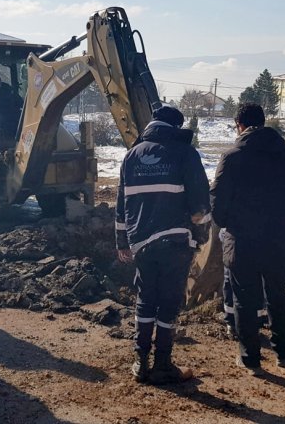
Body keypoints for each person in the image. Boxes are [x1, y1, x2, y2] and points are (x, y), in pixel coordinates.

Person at [211, 103, 285, 375]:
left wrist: (233, 224)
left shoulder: (232, 157)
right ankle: (283, 353)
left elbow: (218, 206)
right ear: (263, 123)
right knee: (278, 294)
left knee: (244, 299)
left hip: (242, 241)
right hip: (279, 239)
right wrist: (281, 220)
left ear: (239, 125)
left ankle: (250, 359)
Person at [116, 105, 210, 384]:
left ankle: (140, 362)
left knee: (145, 301)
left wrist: (123, 241)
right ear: (176, 128)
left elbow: (122, 206)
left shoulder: (131, 156)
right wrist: (201, 235)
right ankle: (163, 364)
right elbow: (200, 204)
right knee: (169, 303)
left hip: (141, 243)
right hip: (175, 241)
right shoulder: (184, 153)